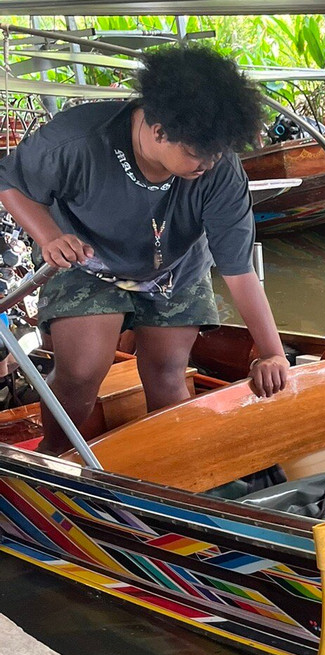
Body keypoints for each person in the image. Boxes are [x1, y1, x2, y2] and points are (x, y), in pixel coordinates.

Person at [0, 45, 289, 456]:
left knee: (168, 374)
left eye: (217, 154)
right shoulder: (78, 139)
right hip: (86, 260)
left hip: (175, 268)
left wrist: (272, 354)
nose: (208, 165)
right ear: (158, 131)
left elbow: (238, 270)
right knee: (81, 371)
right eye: (197, 154)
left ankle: (166, 469)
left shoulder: (219, 168)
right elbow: (10, 182)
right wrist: (49, 237)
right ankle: (55, 458)